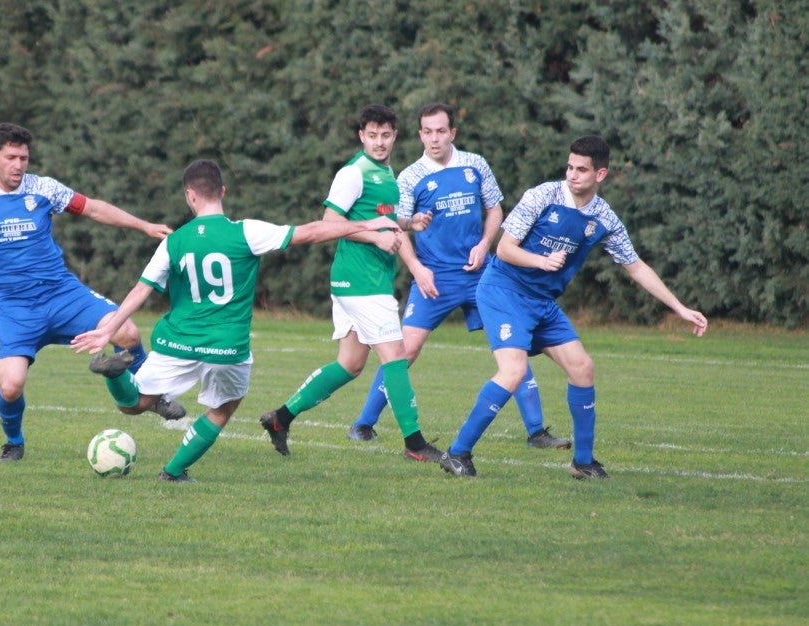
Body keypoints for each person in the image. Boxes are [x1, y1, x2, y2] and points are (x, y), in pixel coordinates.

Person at [70, 158, 400, 483]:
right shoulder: (246, 231)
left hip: (177, 341)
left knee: (134, 404)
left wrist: (109, 331)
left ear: (190, 196)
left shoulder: (175, 241)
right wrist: (366, 225)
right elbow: (312, 232)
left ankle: (116, 376)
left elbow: (141, 290)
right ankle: (172, 472)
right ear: (222, 192)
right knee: (224, 407)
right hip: (228, 348)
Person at [0, 122, 177, 463]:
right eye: (11, 157)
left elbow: (93, 207)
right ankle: (14, 442)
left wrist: (142, 225)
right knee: (10, 385)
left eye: (24, 157)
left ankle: (151, 396)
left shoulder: (42, 188)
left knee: (126, 331)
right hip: (15, 309)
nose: (19, 165)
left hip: (62, 295)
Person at [438, 134, 708, 479]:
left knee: (582, 367)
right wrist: (542, 261)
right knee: (513, 371)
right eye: (569, 166)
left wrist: (679, 308)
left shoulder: (603, 217)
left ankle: (582, 462)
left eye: (582, 169)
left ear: (601, 175)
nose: (572, 174)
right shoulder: (542, 196)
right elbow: (505, 249)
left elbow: (635, 266)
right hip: (503, 291)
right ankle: (457, 452)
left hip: (541, 302)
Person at [348, 103, 571, 450]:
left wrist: (485, 244)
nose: (434, 138)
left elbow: (495, 209)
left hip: (483, 277)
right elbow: (399, 228)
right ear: (420, 133)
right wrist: (418, 270)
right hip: (434, 280)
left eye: (441, 131)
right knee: (404, 351)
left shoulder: (475, 164)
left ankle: (537, 432)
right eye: (427, 131)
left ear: (452, 132)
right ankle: (363, 424)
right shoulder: (408, 177)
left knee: (513, 347)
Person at [258, 104, 443, 463]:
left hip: (356, 282)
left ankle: (280, 418)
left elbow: (376, 219)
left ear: (395, 136)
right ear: (362, 136)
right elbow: (330, 222)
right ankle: (415, 444)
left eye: (385, 135)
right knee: (396, 357)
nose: (379, 142)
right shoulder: (354, 173)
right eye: (372, 135)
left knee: (350, 364)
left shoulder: (385, 173)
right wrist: (375, 239)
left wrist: (408, 223)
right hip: (363, 282)